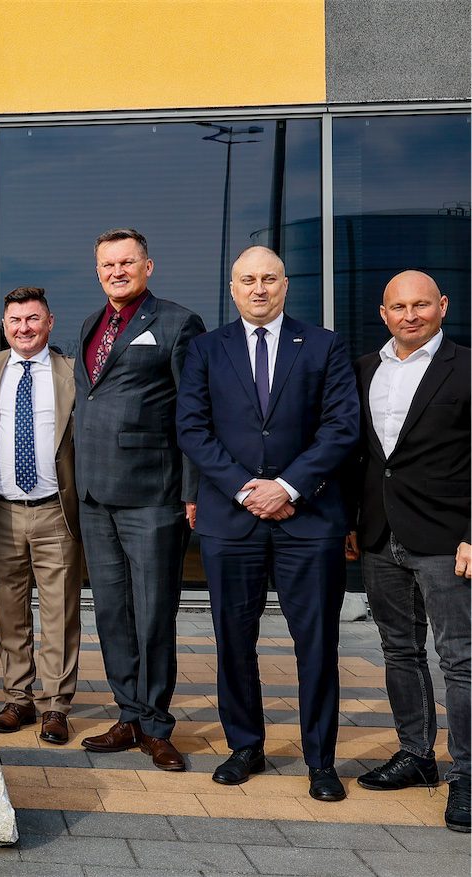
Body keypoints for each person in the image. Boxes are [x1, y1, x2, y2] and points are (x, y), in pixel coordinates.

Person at [177, 245, 359, 802]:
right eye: (248, 279)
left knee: (317, 643)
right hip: (231, 521)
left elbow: (341, 427)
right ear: (233, 288)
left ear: (286, 284)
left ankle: (320, 761)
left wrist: (287, 487)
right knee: (234, 641)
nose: (259, 288)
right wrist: (245, 488)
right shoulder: (206, 349)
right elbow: (192, 429)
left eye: (269, 278)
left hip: (310, 519)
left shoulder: (324, 345)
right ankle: (244, 747)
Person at [74, 228, 204, 771]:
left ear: (148, 266)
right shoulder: (91, 323)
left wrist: (192, 490)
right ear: (98, 271)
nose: (117, 272)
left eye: (127, 262)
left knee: (152, 614)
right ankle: (128, 714)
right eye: (108, 265)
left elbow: (193, 413)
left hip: (152, 494)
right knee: (111, 612)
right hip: (94, 494)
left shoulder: (178, 322)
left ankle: (155, 724)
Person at [348, 270, 470, 831]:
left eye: (421, 305)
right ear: (384, 313)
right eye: (399, 307)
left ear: (442, 306)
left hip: (447, 539)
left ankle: (467, 775)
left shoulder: (466, 368)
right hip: (380, 535)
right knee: (399, 651)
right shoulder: (365, 369)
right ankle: (417, 755)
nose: (410, 315)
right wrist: (352, 521)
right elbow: (364, 457)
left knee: (461, 660)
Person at [0, 287, 83, 741]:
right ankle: (18, 697)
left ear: (50, 322)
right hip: (1, 511)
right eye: (15, 321)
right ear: (4, 326)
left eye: (33, 319)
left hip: (54, 510)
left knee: (60, 612)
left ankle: (56, 705)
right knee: (9, 611)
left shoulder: (72, 372)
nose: (24, 328)